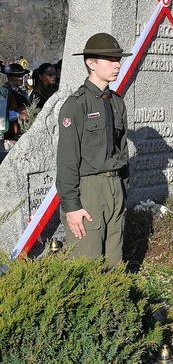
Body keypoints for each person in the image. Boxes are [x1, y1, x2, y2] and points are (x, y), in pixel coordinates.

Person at [56, 33, 132, 269]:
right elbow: (67, 160)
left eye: (118, 59)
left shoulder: (116, 102)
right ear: (91, 63)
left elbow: (122, 150)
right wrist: (72, 206)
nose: (117, 64)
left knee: (114, 264)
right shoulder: (76, 105)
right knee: (85, 266)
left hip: (114, 188)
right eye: (110, 60)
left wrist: (123, 190)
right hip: (88, 191)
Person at [1, 62, 31, 150]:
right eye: (18, 76)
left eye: (22, 75)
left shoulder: (22, 92)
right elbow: (2, 114)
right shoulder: (3, 93)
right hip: (9, 134)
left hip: (22, 130)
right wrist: (18, 114)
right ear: (10, 77)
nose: (21, 78)